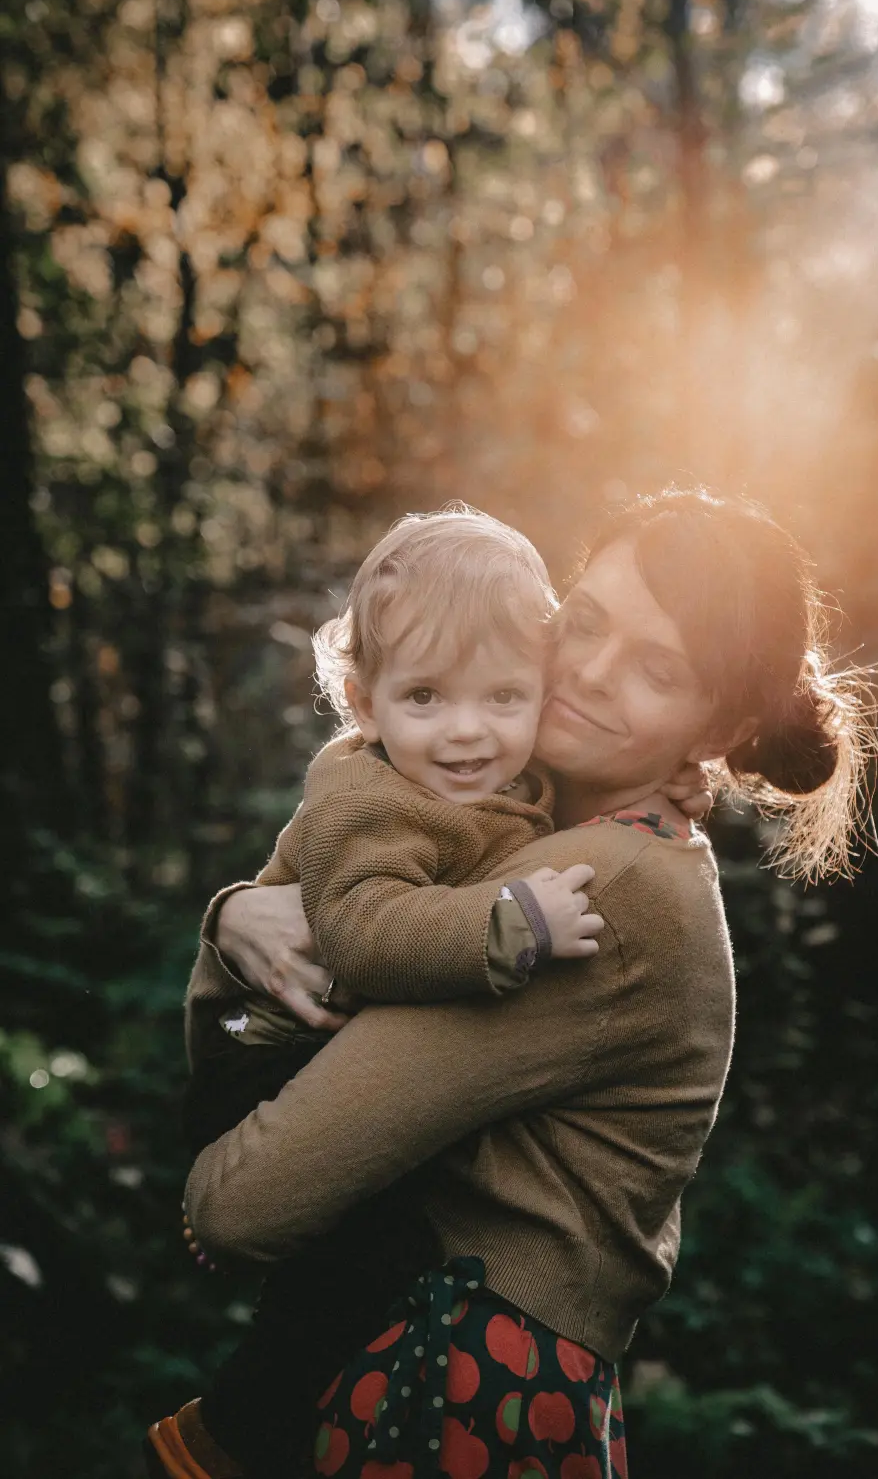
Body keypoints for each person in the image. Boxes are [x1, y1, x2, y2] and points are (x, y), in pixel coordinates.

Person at [178, 490, 878, 1479]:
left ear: (714, 722)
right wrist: (236, 919)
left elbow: (247, 1202)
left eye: (656, 668)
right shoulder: (551, 822)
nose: (589, 673)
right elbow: (350, 885)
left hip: (453, 1386)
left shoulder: (602, 885)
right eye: (584, 622)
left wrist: (200, 1183)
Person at [148, 506, 610, 1479]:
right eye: (426, 697)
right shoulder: (371, 798)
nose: (467, 732)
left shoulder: (488, 784)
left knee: (387, 1253)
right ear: (363, 701)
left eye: (503, 697)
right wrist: (509, 925)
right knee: (372, 1259)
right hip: (256, 1049)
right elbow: (361, 939)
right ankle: (228, 1434)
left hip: (304, 1040)